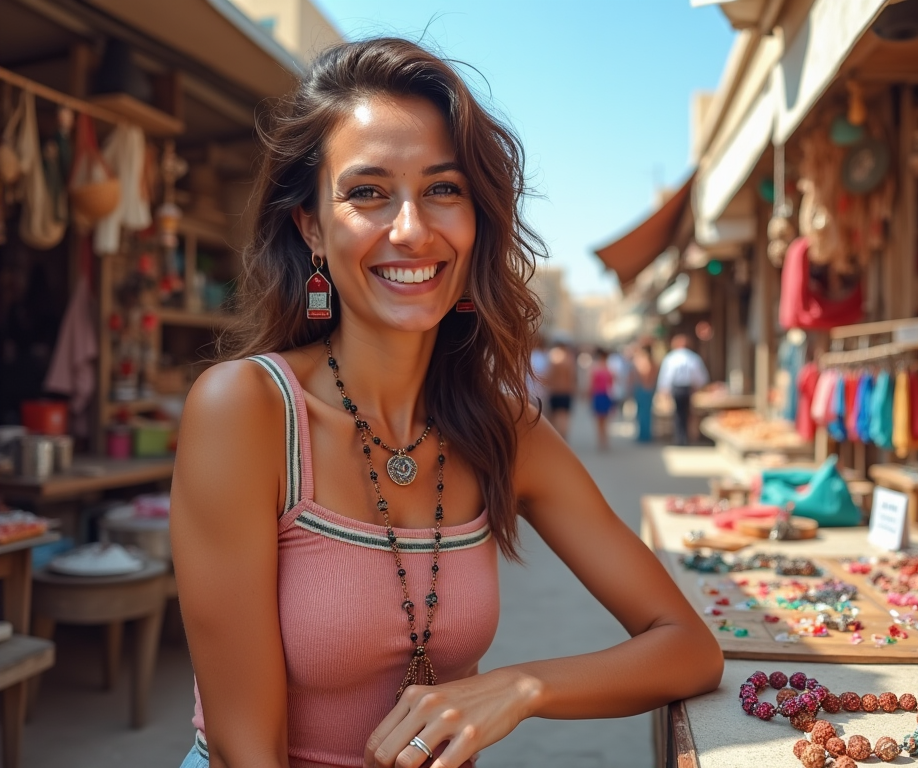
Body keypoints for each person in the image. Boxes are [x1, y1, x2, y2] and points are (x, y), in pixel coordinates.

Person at [170, 38, 722, 768]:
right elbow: (249, 753)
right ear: (311, 227)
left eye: (443, 189)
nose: (411, 229)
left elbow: (688, 648)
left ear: (476, 221)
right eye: (368, 192)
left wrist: (518, 687)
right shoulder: (248, 411)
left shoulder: (504, 431)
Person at [657, 334, 709, 446]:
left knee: (678, 413)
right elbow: (700, 376)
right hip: (687, 388)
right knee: (686, 413)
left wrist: (664, 389)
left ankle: (679, 437)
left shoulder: (671, 358)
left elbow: (667, 375)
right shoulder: (693, 357)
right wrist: (699, 386)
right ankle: (684, 436)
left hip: (677, 388)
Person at [545, 340, 576, 441]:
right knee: (564, 417)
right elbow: (572, 377)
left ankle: (557, 438)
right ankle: (563, 438)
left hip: (554, 391)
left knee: (554, 416)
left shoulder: (553, 358)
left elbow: (549, 376)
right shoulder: (569, 359)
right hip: (566, 391)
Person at [629, 343, 659, 443]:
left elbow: (645, 373)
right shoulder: (652, 361)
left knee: (643, 413)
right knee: (645, 413)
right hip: (646, 388)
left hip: (644, 389)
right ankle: (644, 434)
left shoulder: (645, 361)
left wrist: (645, 384)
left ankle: (644, 435)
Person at [589, 348, 615, 451]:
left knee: (599, 420)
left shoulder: (595, 369)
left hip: (598, 395)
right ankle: (605, 441)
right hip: (606, 395)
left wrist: (589, 396)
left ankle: (600, 440)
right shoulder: (609, 369)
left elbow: (591, 384)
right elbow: (612, 384)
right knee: (605, 419)